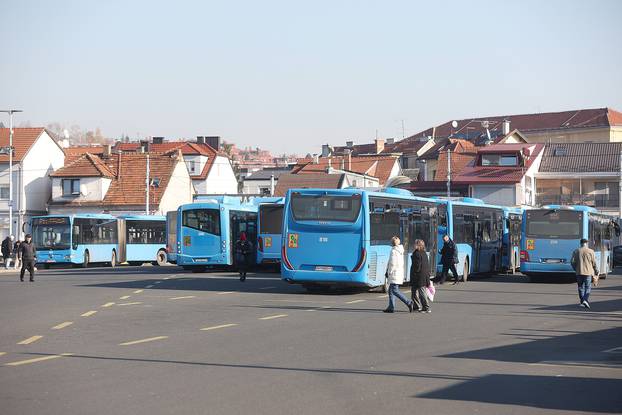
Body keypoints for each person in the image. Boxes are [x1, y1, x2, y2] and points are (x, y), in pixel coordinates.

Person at [383, 236, 414, 313]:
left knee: (394, 290)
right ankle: (391, 307)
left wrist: (389, 273)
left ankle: (408, 302)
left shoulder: (394, 251)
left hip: (394, 273)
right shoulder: (400, 250)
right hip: (398, 272)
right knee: (391, 290)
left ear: (392, 243)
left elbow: (393, 264)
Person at [571, 238, 598, 309]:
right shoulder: (591, 251)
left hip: (579, 272)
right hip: (588, 272)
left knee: (580, 287)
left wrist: (575, 269)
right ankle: (585, 300)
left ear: (580, 243)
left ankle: (582, 301)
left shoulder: (576, 251)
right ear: (587, 243)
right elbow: (594, 263)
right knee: (588, 287)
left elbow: (572, 262)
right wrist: (596, 271)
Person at [410, 239, 431, 313]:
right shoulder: (424, 253)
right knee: (414, 291)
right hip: (423, 275)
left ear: (418, 245)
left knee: (421, 292)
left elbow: (417, 266)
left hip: (418, 276)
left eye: (415, 244)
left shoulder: (416, 253)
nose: (414, 245)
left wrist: (415, 273)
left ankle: (426, 307)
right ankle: (417, 306)